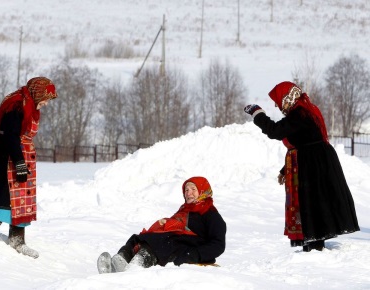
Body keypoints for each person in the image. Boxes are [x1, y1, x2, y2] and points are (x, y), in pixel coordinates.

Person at [244, 81, 360, 252]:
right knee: (313, 203)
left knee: (312, 203)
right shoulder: (303, 111)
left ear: (286, 97)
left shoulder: (300, 114)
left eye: (277, 101)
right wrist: (285, 169)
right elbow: (300, 142)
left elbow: (275, 131)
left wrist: (257, 113)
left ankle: (314, 246)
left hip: (314, 165)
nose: (276, 105)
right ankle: (313, 244)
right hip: (314, 161)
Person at [0, 77, 58, 258]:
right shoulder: (17, 106)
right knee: (6, 195)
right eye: (46, 98)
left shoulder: (30, 106)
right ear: (38, 93)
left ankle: (18, 239)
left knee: (22, 197)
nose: (47, 103)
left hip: (22, 154)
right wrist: (18, 161)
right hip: (6, 155)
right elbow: (9, 136)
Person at [97, 176, 226, 273]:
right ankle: (121, 260)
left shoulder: (211, 214)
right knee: (140, 238)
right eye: (186, 190)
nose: (188, 193)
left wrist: (193, 255)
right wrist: (167, 223)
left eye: (193, 189)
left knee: (161, 242)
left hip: (188, 248)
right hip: (178, 241)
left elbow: (218, 244)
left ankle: (136, 266)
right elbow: (178, 225)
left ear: (203, 191)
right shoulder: (185, 210)